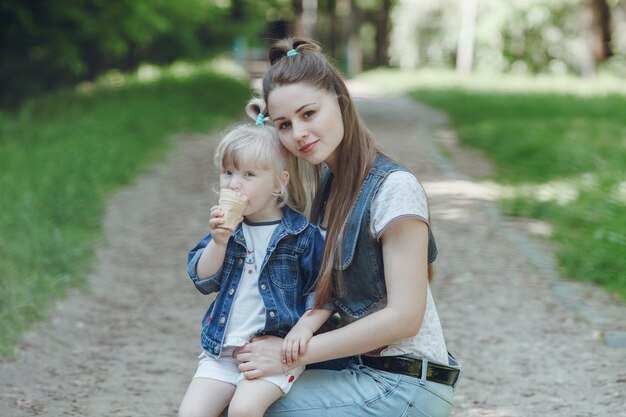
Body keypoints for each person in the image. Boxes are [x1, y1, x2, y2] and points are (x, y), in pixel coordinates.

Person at [231, 38, 462, 417]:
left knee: (260, 408)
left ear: (340, 100)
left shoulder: (393, 188)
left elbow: (405, 317)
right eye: (285, 125)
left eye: (309, 114)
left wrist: (288, 355)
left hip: (403, 384)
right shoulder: (330, 187)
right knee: (234, 386)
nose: (299, 133)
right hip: (360, 367)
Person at [179, 100, 330, 417]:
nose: (233, 183)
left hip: (272, 352)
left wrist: (303, 330)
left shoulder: (302, 235)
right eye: (228, 172)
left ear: (278, 183)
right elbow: (203, 278)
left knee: (244, 409)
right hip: (221, 349)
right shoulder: (229, 229)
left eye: (248, 174)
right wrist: (218, 243)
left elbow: (324, 291)